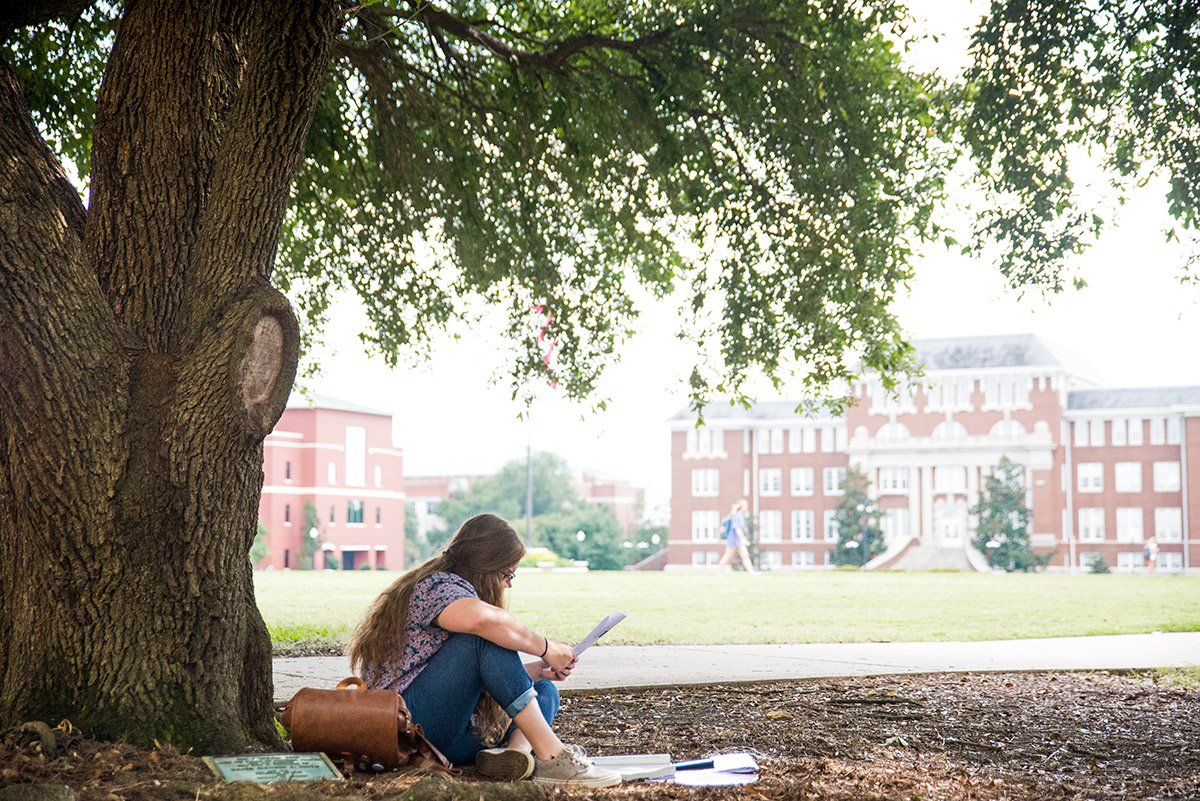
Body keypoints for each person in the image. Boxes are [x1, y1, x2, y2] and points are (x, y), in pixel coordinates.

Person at [348, 513, 621, 787]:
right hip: (405, 729)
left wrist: (536, 670)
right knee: (484, 638)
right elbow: (484, 622)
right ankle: (554, 757)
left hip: (441, 735)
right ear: (487, 567)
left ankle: (515, 756)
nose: (509, 584)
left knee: (543, 690)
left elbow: (463, 678)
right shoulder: (437, 587)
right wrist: (546, 648)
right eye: (507, 574)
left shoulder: (456, 591)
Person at [716, 499, 756, 574]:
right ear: (741, 507)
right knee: (727, 556)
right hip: (733, 541)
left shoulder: (740, 516)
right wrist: (743, 539)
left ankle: (752, 572)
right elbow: (737, 529)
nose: (747, 507)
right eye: (745, 506)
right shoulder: (736, 516)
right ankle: (718, 571)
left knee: (745, 556)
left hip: (738, 541)